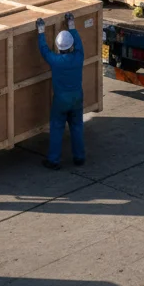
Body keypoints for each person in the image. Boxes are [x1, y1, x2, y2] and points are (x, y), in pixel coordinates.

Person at [36, 12, 85, 170]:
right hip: (77, 97)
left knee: (57, 128)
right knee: (77, 127)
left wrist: (41, 31)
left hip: (61, 100)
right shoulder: (79, 56)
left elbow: (44, 50)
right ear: (70, 46)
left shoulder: (55, 61)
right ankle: (79, 157)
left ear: (58, 47)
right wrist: (71, 24)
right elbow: (78, 43)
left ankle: (54, 160)